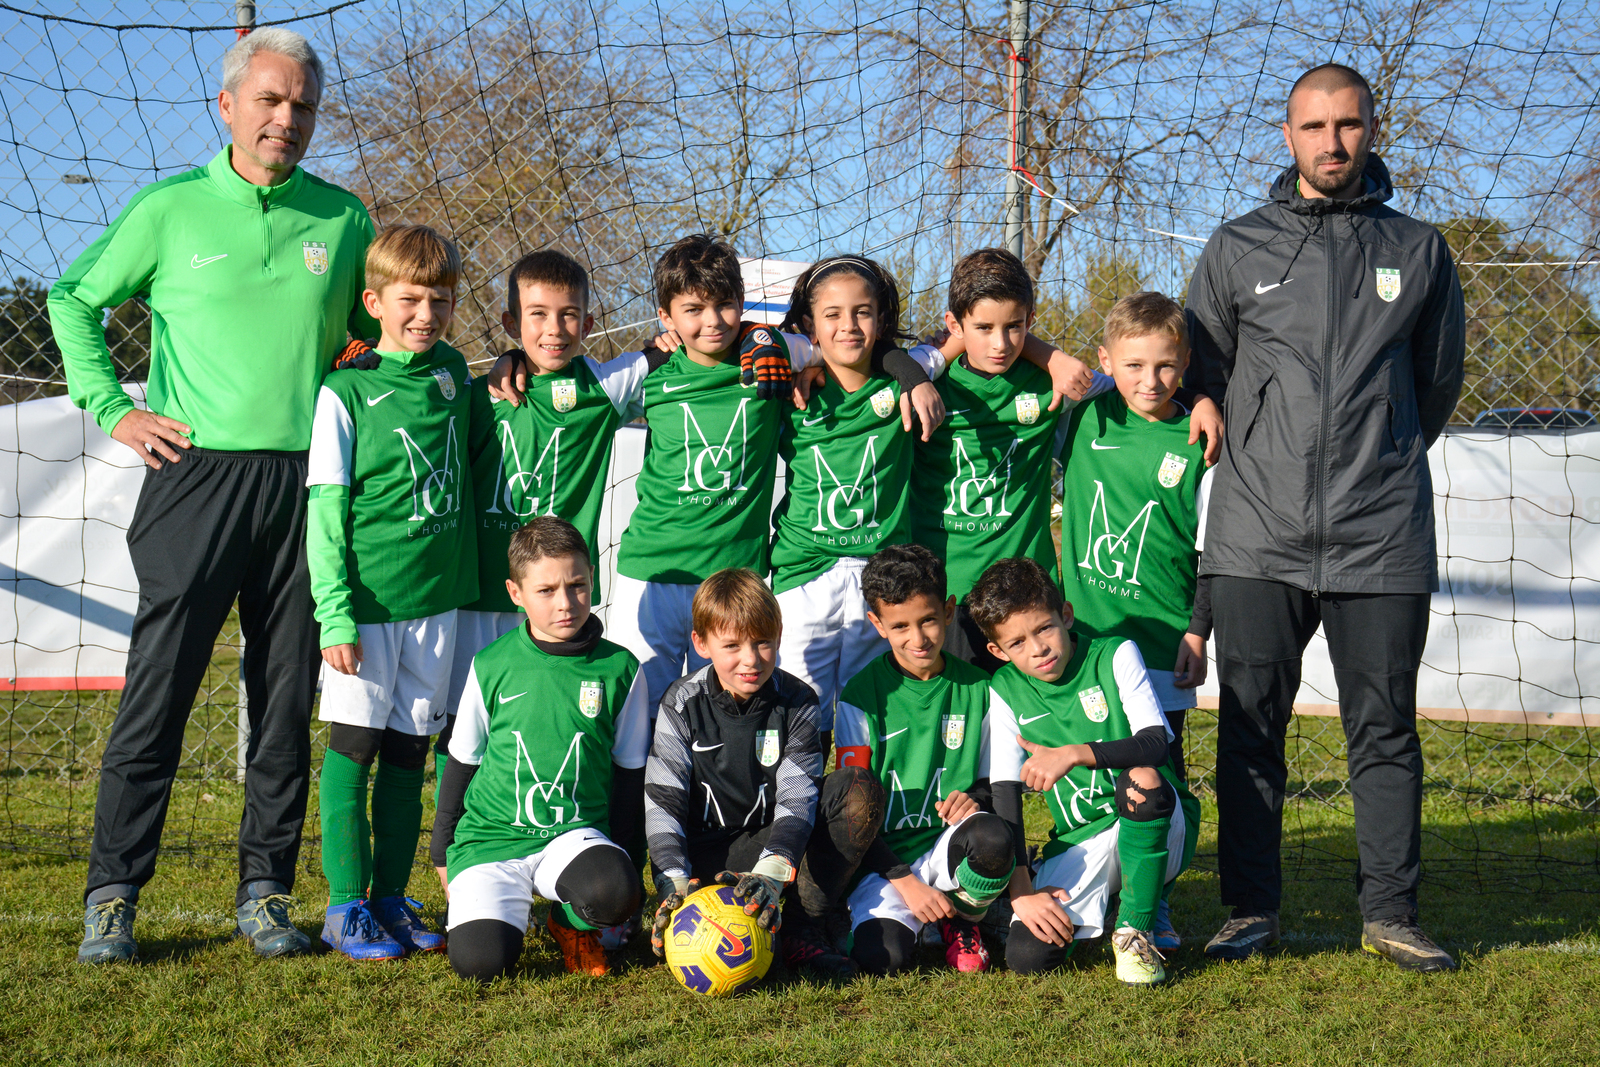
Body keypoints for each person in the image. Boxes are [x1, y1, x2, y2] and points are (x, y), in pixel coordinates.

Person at [51, 27, 375, 964]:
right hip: (194, 477)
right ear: (228, 106)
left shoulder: (343, 219)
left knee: (286, 700)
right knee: (160, 691)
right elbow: (72, 298)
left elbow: (383, 327)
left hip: (308, 484)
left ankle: (266, 893)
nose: (287, 119)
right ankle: (113, 895)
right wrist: (116, 408)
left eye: (303, 105)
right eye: (270, 100)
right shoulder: (169, 209)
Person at [1184, 63, 1465, 972]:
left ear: (1372, 129)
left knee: (1383, 728)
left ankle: (1391, 911)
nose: (1332, 142)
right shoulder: (1237, 246)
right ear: (1288, 134)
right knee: (1249, 727)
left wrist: (1380, 448)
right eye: (1314, 126)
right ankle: (1249, 909)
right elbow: (1200, 371)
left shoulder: (1419, 250)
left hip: (1380, 532)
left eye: (1348, 124)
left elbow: (1436, 383)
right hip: (1255, 532)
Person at [436, 250, 648, 885]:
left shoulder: (605, 387)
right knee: (464, 738)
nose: (554, 329)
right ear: (511, 322)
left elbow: (687, 344)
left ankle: (571, 857)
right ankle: (465, 855)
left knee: (566, 732)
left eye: (568, 315)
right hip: (482, 598)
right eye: (537, 315)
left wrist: (763, 338)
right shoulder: (481, 396)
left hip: (560, 603)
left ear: (589, 322)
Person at [910, 248, 1222, 672]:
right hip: (945, 591)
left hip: (1028, 600)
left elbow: (1141, 385)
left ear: (1029, 322)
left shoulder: (1055, 387)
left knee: (1032, 711)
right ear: (955, 325)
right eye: (983, 328)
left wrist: (1199, 399)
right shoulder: (923, 384)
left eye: (1014, 327)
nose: (1000, 343)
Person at [306, 224, 476, 959]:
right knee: (353, 750)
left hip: (437, 605)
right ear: (374, 303)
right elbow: (325, 511)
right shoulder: (344, 390)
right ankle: (345, 906)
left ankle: (388, 898)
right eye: (409, 299)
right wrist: (335, 613)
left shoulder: (455, 374)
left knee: (411, 755)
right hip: (368, 609)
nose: (426, 314)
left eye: (441, 300)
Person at [1057, 290, 1213, 950]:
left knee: (1161, 777)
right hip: (1086, 648)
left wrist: (1198, 628)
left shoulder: (1200, 439)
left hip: (1160, 646)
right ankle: (1082, 881)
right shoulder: (1083, 416)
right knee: (1093, 778)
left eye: (1166, 366)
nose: (1151, 380)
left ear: (1186, 364)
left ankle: (1155, 902)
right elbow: (1043, 368)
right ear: (1105, 361)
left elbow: (1215, 550)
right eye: (1134, 365)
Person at [432, 518, 649, 981]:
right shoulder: (491, 665)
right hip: (492, 839)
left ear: (593, 578)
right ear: (516, 593)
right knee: (481, 963)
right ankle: (494, 909)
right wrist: (441, 852)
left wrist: (629, 871)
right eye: (546, 591)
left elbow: (630, 774)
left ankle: (567, 922)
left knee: (613, 891)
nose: (566, 603)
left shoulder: (620, 668)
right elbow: (462, 761)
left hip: (574, 835)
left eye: (577, 585)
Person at [644, 568, 884, 979]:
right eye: (732, 645)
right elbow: (664, 800)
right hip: (709, 860)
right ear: (701, 644)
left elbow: (797, 795)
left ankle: (802, 930)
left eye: (762, 642)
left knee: (857, 790)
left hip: (774, 848)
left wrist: (772, 873)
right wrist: (675, 883)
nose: (751, 659)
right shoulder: (681, 702)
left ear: (779, 636)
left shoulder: (799, 700)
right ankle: (711, 915)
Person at [973, 558, 1199, 985]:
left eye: (1044, 628)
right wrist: (1022, 893)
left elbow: (1156, 743)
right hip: (1083, 837)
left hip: (1158, 820)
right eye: (1017, 642)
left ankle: (1135, 930)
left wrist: (1074, 754)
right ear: (998, 652)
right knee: (1028, 955)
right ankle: (1118, 900)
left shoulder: (1114, 654)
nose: (1037, 648)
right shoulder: (1004, 687)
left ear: (1066, 615)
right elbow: (1004, 791)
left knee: (1142, 781)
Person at [770, 255, 945, 737]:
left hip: (882, 576)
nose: (848, 325)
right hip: (804, 577)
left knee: (868, 718)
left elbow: (957, 339)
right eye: (832, 314)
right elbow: (742, 341)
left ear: (881, 320)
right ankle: (797, 790)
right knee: (798, 718)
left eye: (862, 312)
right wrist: (807, 359)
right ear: (809, 324)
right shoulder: (789, 388)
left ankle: (861, 788)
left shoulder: (907, 376)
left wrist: (912, 374)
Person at [833, 544, 1015, 975]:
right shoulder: (860, 697)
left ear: (948, 611)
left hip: (948, 848)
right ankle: (903, 919)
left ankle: (963, 918)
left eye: (928, 620)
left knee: (993, 837)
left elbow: (992, 784)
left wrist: (975, 800)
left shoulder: (982, 688)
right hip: (885, 863)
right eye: (900, 626)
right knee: (883, 959)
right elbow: (852, 816)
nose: (918, 639)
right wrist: (906, 882)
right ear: (877, 624)